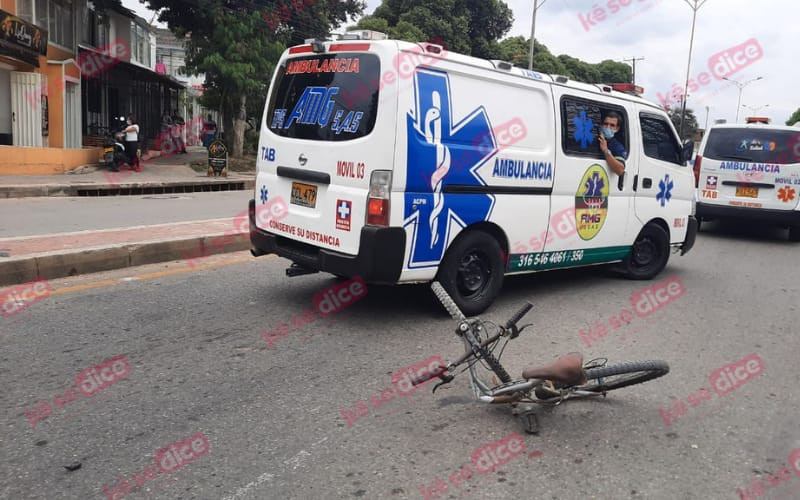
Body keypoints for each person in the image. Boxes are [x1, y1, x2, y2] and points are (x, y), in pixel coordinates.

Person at [598, 111, 627, 176]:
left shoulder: (617, 146)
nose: (608, 127)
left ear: (617, 129)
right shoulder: (593, 138)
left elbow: (620, 170)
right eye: (605, 124)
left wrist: (606, 151)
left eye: (612, 125)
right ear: (601, 125)